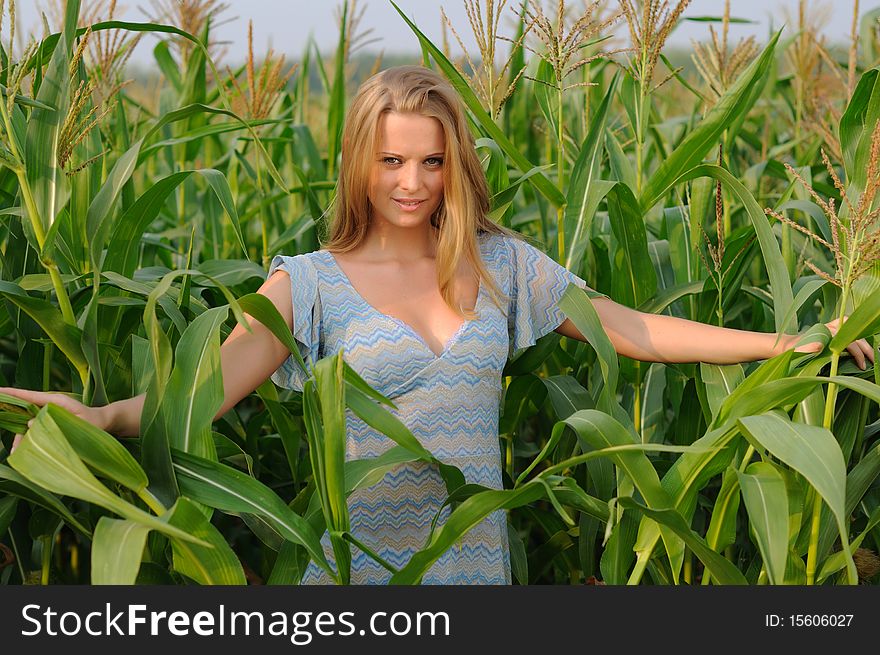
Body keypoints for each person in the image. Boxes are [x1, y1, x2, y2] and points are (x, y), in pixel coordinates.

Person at [1, 66, 875, 585]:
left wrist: (794, 340)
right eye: (390, 160)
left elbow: (633, 329)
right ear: (359, 164)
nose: (411, 181)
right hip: (354, 575)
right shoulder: (307, 284)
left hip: (474, 566)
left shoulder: (505, 267)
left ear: (453, 163)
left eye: (429, 160)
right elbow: (202, 397)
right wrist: (95, 418)